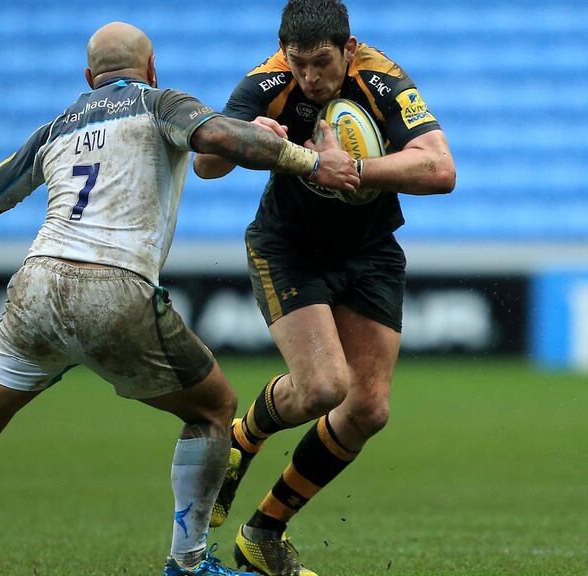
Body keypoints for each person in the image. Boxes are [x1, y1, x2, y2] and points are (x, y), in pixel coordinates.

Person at [0, 21, 360, 576]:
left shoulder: (57, 125)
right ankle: (188, 563)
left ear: (89, 75)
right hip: (113, 286)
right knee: (213, 409)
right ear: (152, 67)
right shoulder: (162, 102)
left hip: (37, 286)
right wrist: (311, 161)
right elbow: (219, 139)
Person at [193, 1, 457, 575]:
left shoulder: (380, 76)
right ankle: (243, 438)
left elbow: (441, 169)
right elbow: (204, 166)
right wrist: (246, 140)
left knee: (367, 408)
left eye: (322, 63)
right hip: (290, 249)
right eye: (299, 63)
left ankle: (262, 532)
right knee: (321, 389)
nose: (310, 77)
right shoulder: (270, 80)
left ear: (348, 48)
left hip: (369, 251)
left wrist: (357, 171)